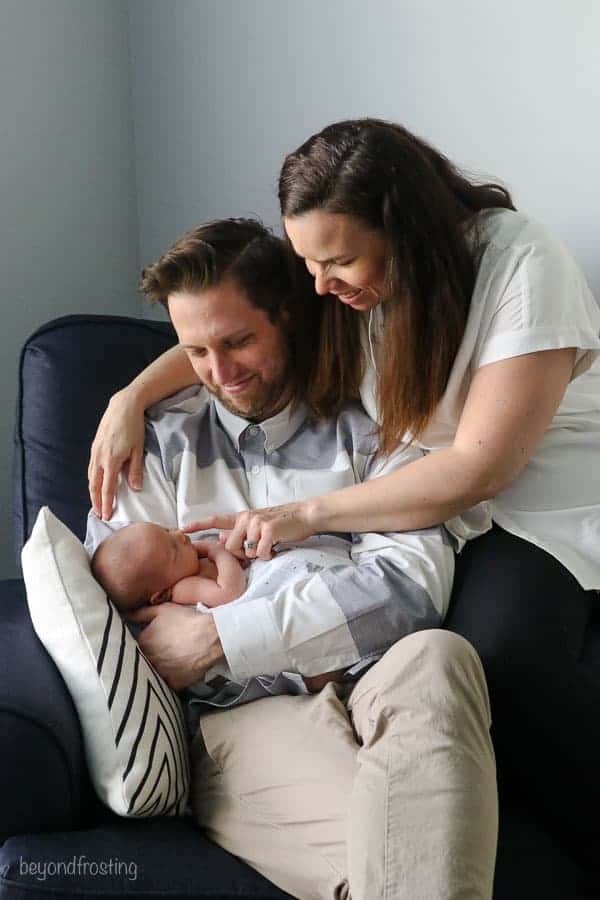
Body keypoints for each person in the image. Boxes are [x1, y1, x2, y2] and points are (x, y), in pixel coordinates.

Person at [87, 119, 600, 858]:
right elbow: (228, 328)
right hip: (442, 508)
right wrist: (130, 397)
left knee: (498, 662)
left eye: (336, 263)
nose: (320, 284)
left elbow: (482, 467)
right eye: (310, 266)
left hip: (537, 503)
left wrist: (306, 514)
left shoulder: (519, 262)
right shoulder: (346, 279)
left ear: (406, 232)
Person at [85, 217, 497, 899]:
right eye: (195, 351)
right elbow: (132, 617)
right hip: (249, 718)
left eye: (238, 341)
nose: (220, 374)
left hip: (379, 674)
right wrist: (131, 398)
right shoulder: (151, 448)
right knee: (402, 864)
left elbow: (410, 589)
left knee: (439, 654)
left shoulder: (375, 422)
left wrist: (226, 635)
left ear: (290, 317)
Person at [90, 522, 248, 609]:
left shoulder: (185, 565)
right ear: (161, 595)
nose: (180, 535)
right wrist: (218, 552)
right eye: (174, 549)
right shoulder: (183, 589)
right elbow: (230, 591)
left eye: (166, 531)